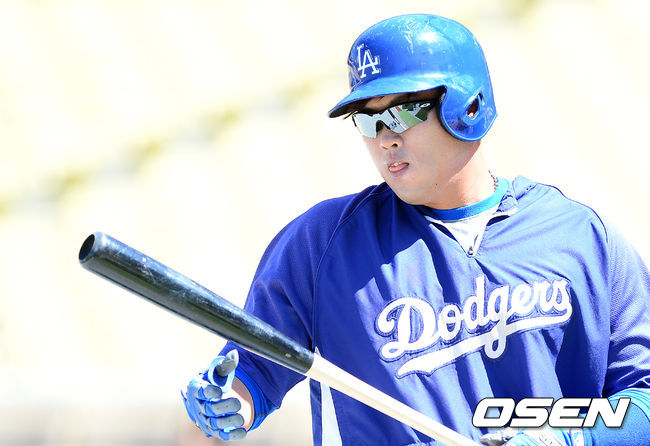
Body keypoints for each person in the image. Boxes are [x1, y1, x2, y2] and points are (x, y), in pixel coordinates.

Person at [181, 14, 650, 445]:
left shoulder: (579, 235)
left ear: (469, 105)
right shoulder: (321, 244)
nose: (385, 137)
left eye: (403, 111)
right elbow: (252, 375)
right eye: (367, 120)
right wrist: (230, 399)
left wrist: (559, 439)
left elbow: (643, 398)